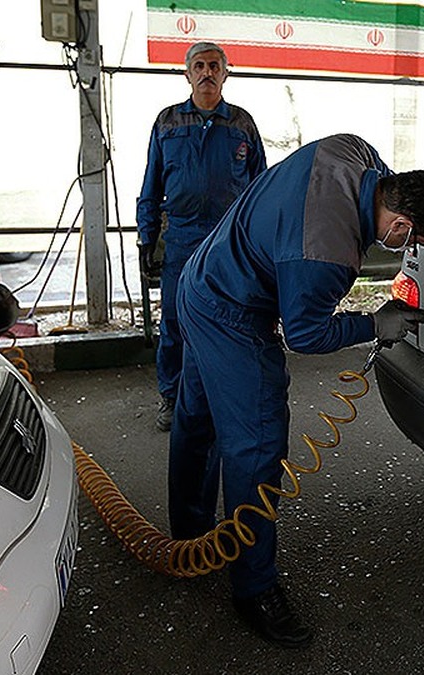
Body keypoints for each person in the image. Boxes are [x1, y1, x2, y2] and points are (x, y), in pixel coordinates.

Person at [168, 133, 424, 648]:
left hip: (201, 278)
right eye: (417, 240)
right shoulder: (326, 254)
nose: (412, 248)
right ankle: (253, 588)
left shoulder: (352, 151)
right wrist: (378, 325)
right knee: (257, 446)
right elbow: (306, 334)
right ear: (400, 224)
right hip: (234, 314)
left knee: (197, 419)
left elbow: (403, 192)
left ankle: (190, 539)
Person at [137, 41, 267, 432]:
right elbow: (151, 184)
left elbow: (261, 187)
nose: (207, 72)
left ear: (226, 73)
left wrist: (260, 243)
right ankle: (172, 398)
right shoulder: (168, 122)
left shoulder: (242, 124)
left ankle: (224, 396)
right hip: (181, 239)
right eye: (199, 65)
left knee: (232, 320)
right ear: (188, 73)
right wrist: (147, 238)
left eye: (214, 65)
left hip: (229, 243)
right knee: (175, 323)